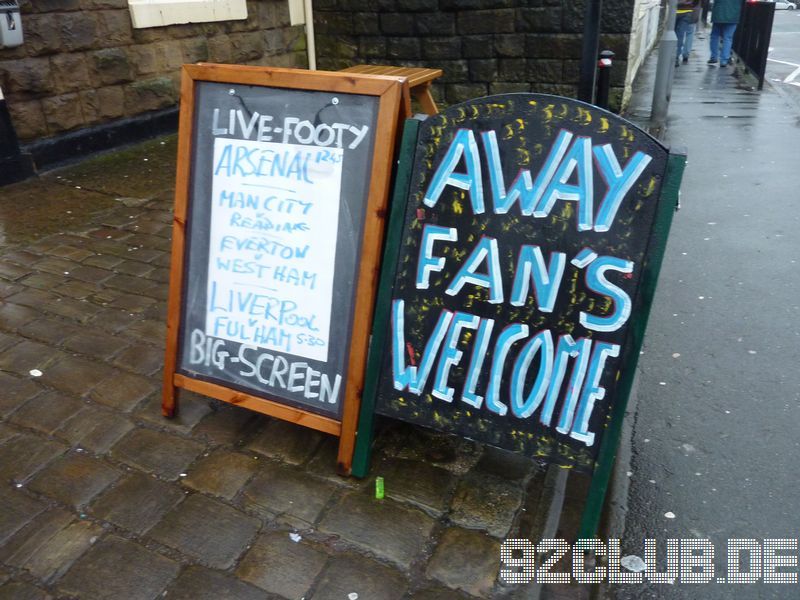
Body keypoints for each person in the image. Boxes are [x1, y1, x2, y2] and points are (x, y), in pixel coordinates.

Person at [708, 0, 742, 66]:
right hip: (733, 14)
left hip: (718, 13)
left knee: (715, 36)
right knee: (728, 38)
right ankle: (724, 60)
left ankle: (714, 57)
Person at [675, 0, 701, 66]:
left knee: (676, 34)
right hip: (687, 10)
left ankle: (675, 56)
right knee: (681, 34)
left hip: (675, 9)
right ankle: (677, 56)